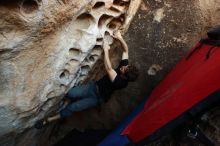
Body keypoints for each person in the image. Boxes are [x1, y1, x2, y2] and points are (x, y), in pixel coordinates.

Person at [35, 31, 139, 129]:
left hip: (97, 98)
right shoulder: (125, 68)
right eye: (126, 67)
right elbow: (126, 50)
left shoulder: (120, 83)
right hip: (93, 86)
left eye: (124, 69)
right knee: (71, 93)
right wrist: (120, 37)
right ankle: (65, 110)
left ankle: (49, 120)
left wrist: (106, 50)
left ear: (125, 77)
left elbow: (108, 68)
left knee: (74, 107)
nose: (123, 67)